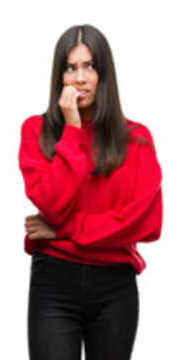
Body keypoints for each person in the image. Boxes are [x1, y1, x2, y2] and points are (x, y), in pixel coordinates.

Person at [19, 24, 161, 360]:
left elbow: (144, 224)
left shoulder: (136, 138)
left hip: (115, 284)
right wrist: (71, 130)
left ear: (104, 74)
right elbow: (51, 206)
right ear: (59, 77)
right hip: (54, 280)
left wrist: (63, 230)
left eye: (90, 66)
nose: (80, 78)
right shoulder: (36, 131)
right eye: (71, 68)